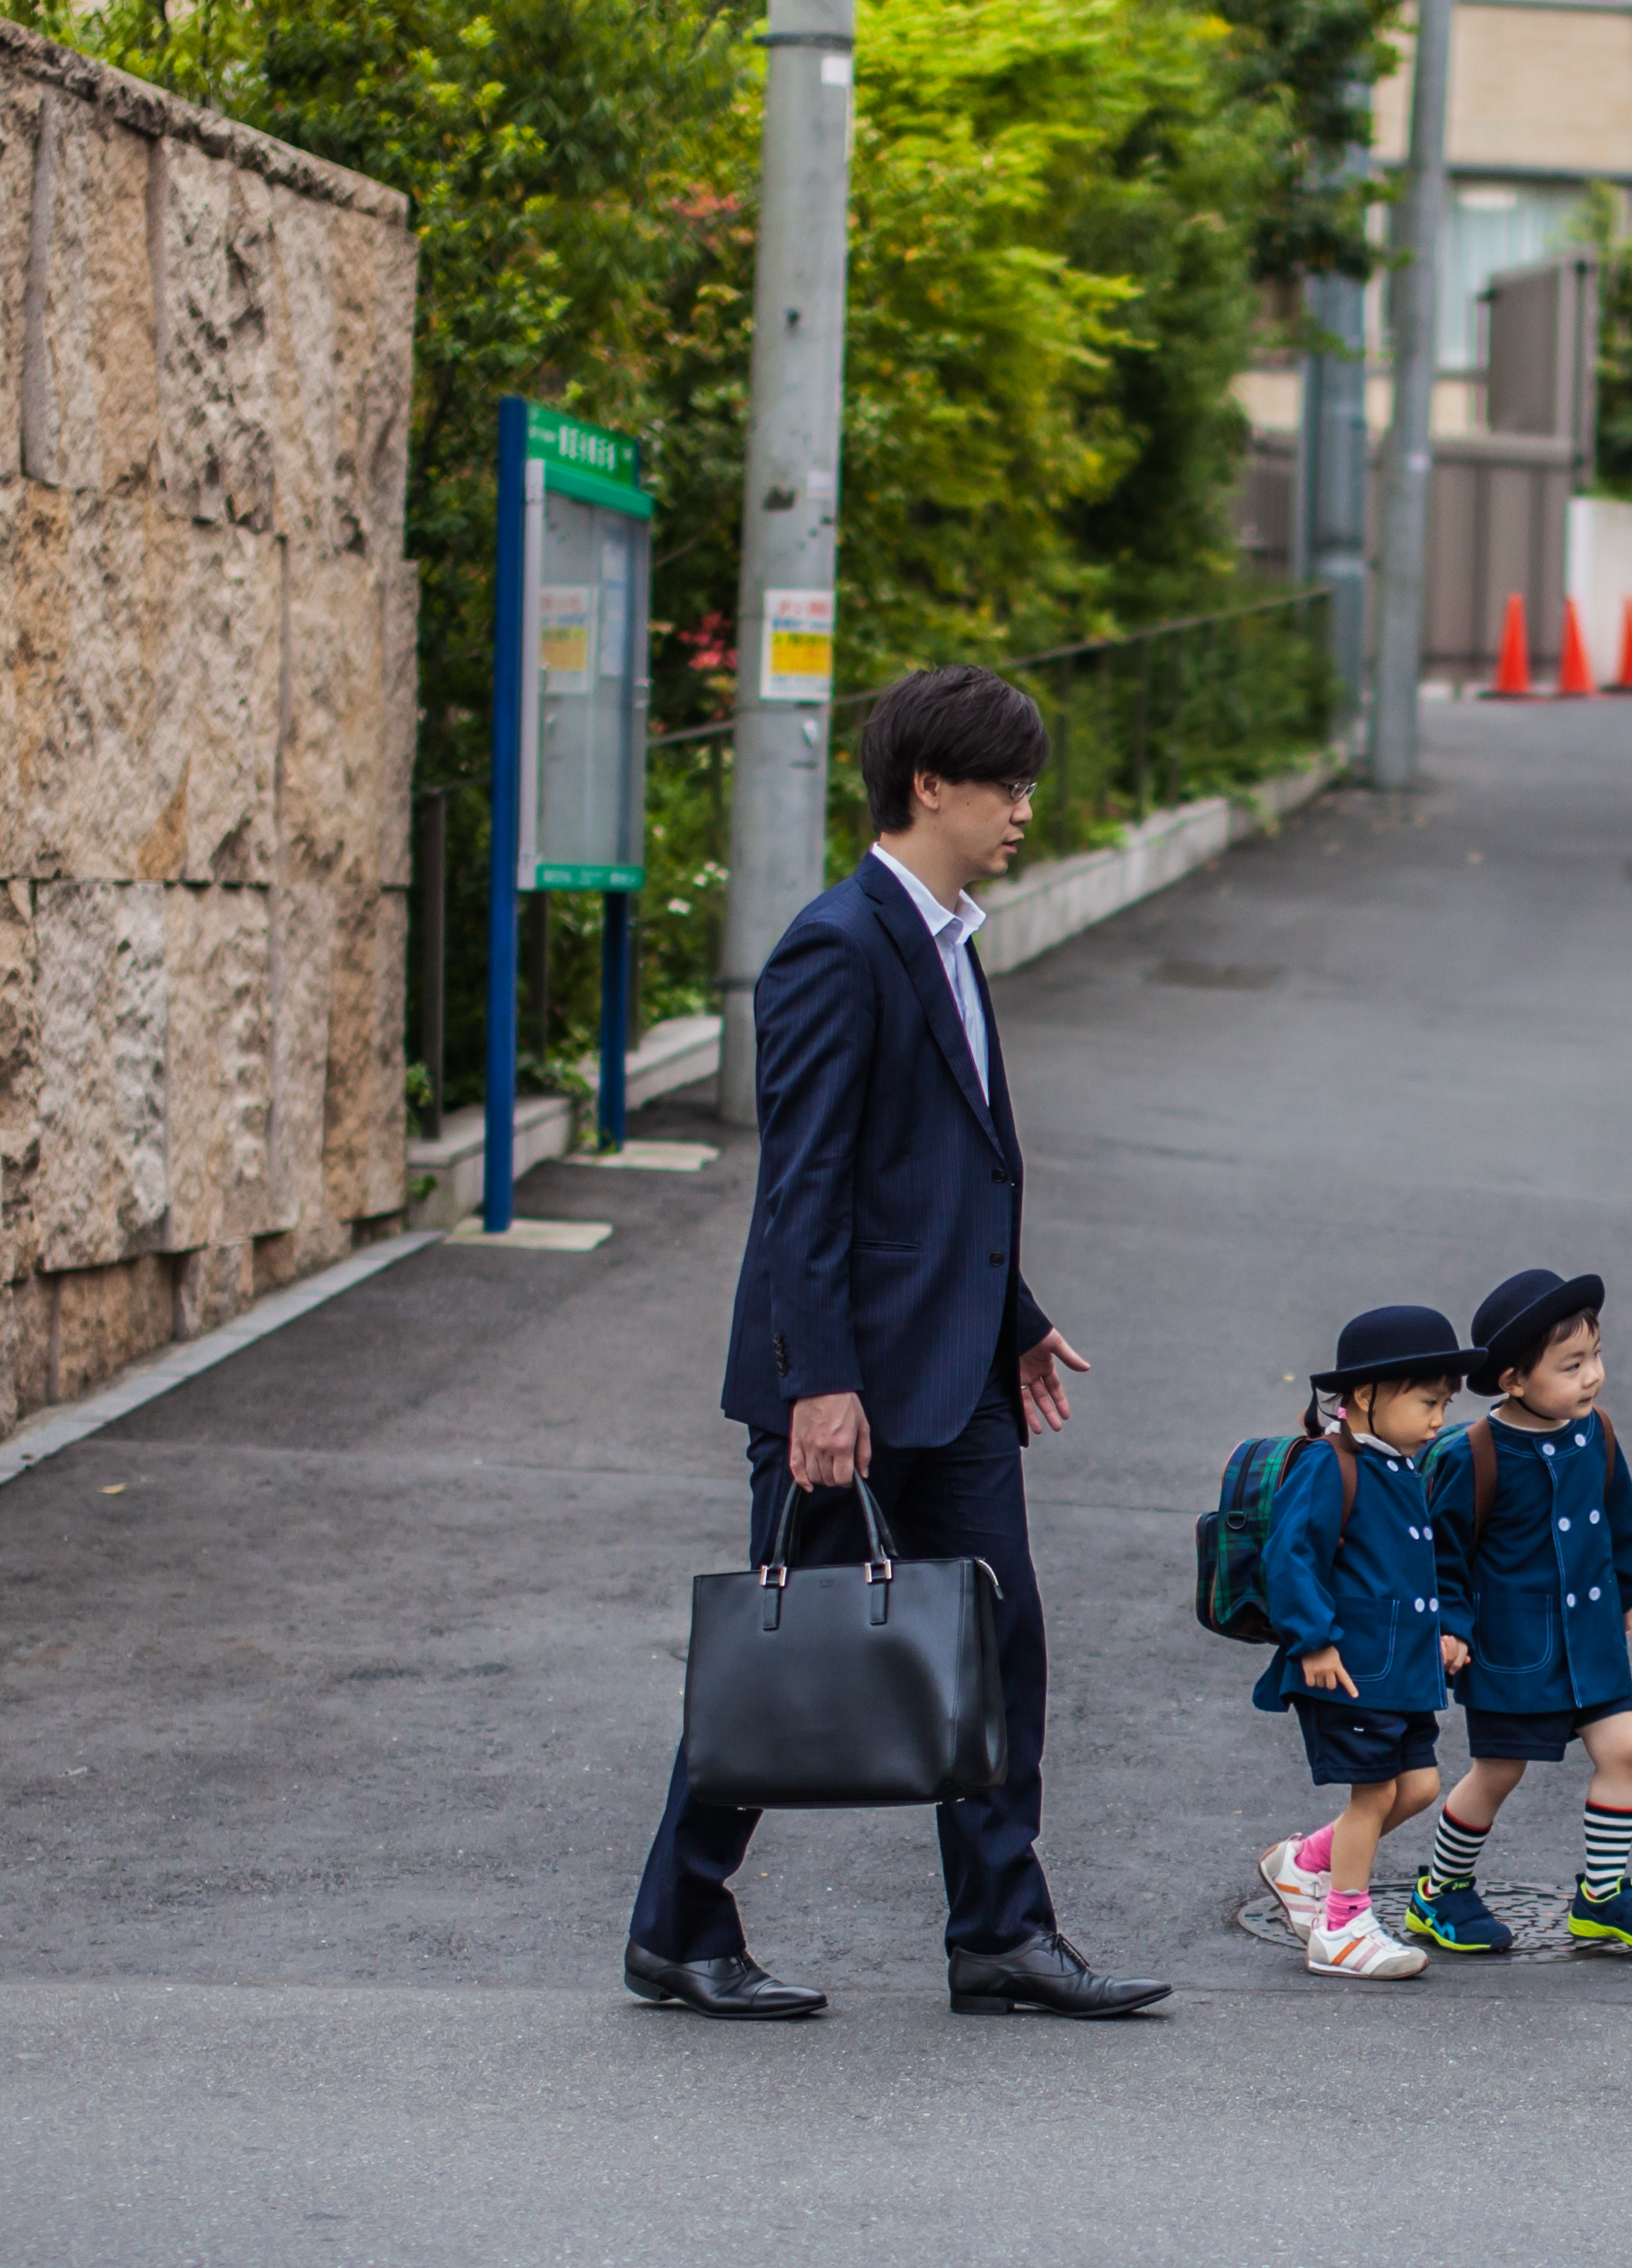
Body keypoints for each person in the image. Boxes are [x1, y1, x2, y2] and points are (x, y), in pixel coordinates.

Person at [623, 664, 1170, 2022]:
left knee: (1000, 1644)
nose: (1024, 810)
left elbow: (946, 1171)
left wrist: (1017, 1319)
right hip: (847, 1387)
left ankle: (999, 1931)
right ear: (929, 784)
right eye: (1007, 785)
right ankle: (677, 1925)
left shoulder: (947, 935)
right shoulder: (838, 942)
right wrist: (820, 1382)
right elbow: (803, 1183)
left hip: (958, 1373)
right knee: (784, 1656)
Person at [1399, 1268, 1632, 1956]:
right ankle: (1440, 1891)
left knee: (1624, 1745)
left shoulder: (1595, 1433)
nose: (1591, 1376)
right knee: (1499, 1770)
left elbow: (1621, 1520)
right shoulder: (1474, 1453)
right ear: (1512, 1379)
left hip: (1588, 1638)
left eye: (1593, 1355)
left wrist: (1623, 1592)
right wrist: (1450, 1627)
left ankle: (1602, 1895)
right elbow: (1441, 1555)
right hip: (1512, 1644)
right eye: (1570, 1365)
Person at [1250, 1306, 1479, 1979]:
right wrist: (1312, 1641)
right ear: (1363, 1397)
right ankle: (1342, 1925)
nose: (1439, 1417)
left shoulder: (1403, 1467)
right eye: (1426, 1400)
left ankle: (1305, 1863)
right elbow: (1289, 1556)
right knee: (1374, 1792)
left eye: (1444, 1403)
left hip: (1399, 1671)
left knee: (1419, 1785)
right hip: (1346, 1668)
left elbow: (1422, 1563)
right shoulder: (1330, 1464)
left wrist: (1447, 1627)